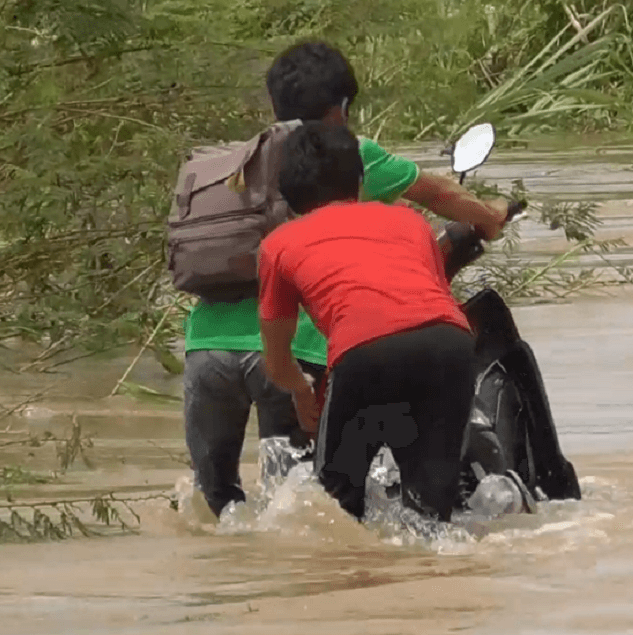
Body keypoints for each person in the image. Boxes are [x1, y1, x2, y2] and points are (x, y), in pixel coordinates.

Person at [182, 39, 508, 518]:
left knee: (222, 509)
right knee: (325, 501)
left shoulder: (242, 164)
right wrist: (490, 217)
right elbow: (438, 194)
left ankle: (245, 579)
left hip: (205, 347)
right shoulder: (346, 156)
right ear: (343, 110)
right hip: (303, 351)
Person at [258, 121, 481, 523]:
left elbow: (276, 357)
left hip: (363, 352)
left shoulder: (278, 245)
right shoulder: (409, 221)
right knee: (432, 511)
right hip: (451, 343)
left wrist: (302, 392)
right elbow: (433, 294)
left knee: (335, 510)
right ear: (359, 181)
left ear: (285, 193)